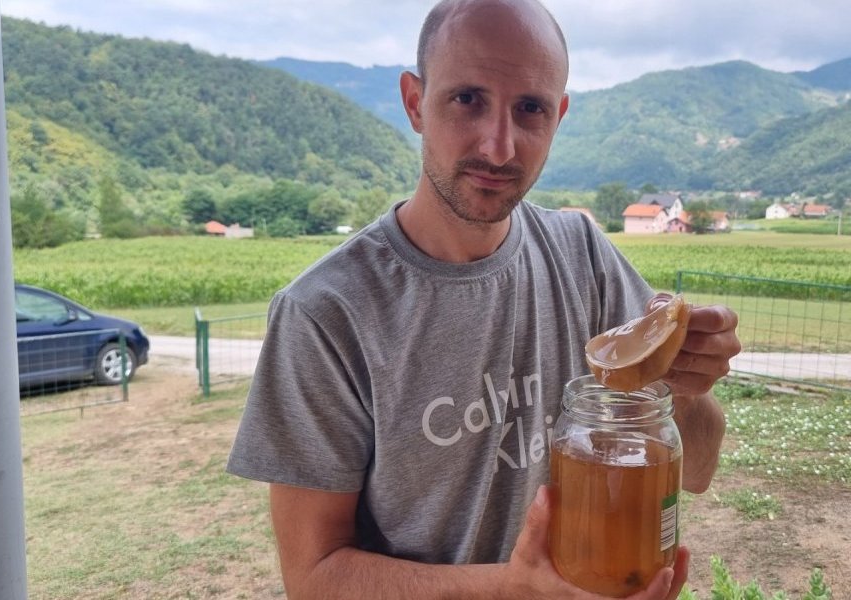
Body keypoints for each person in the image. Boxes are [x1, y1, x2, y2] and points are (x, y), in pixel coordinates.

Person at [225, 0, 741, 598]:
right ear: (415, 102)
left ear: (559, 116)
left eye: (530, 109)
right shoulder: (326, 311)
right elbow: (313, 579)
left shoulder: (584, 257)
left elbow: (697, 469)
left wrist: (683, 387)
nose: (499, 148)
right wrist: (514, 588)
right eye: (467, 99)